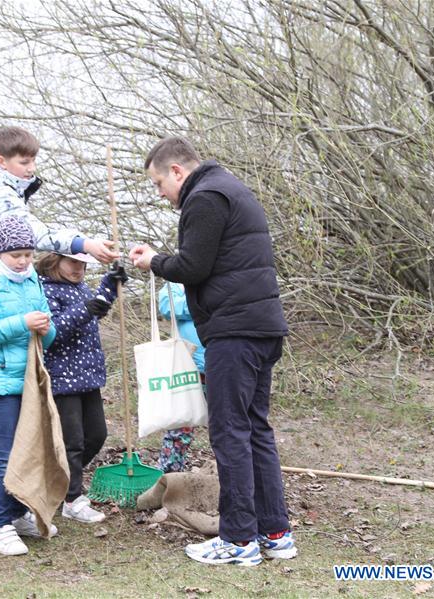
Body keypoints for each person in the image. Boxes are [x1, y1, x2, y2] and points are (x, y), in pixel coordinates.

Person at [129, 137, 296, 567]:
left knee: (230, 432)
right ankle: (275, 533)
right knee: (255, 430)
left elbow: (192, 266)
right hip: (260, 328)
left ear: (177, 172)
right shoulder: (231, 188)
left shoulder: (203, 198)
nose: (160, 193)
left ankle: (239, 539)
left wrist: (154, 260)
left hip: (234, 331)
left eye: (158, 183)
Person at [0, 126, 120, 497]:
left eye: (33, 161)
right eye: (23, 161)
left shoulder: (10, 189)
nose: (31, 168)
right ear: (2, 161)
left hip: (5, 292)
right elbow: (28, 230)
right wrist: (84, 243)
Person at [0, 215, 57, 556]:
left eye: (28, 254)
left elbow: (49, 333)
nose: (23, 261)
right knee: (3, 453)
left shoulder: (33, 280)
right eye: (16, 254)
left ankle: (18, 515)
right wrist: (22, 323)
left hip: (28, 381)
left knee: (28, 449)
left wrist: (47, 329)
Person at [36, 251, 128, 524]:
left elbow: (93, 309)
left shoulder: (80, 288)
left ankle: (61, 482)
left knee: (97, 435)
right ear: (55, 262)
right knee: (72, 441)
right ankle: (72, 498)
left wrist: (109, 287)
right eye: (73, 262)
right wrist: (87, 307)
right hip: (63, 378)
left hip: (88, 376)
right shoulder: (45, 290)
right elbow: (52, 332)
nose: (79, 268)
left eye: (83, 263)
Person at [157, 282, 205, 474]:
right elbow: (167, 306)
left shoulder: (220, 276)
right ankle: (168, 476)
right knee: (180, 427)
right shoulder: (177, 284)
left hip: (220, 365)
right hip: (189, 367)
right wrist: (201, 302)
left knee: (226, 426)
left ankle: (232, 476)